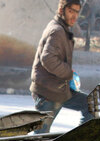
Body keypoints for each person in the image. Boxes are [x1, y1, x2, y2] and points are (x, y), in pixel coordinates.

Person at [30, 0, 93, 133]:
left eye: (77, 12)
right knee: (39, 139)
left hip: (59, 90)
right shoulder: (57, 30)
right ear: (61, 10)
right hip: (49, 93)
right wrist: (67, 73)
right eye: (71, 11)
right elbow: (48, 59)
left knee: (90, 105)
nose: (74, 16)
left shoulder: (62, 29)